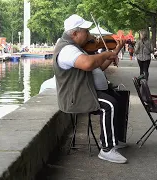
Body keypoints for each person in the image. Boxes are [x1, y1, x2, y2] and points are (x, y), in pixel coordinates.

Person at [53, 14, 127, 164]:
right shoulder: (67, 50)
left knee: (118, 99)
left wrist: (115, 51)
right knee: (109, 104)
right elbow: (88, 64)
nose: (89, 35)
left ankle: (113, 138)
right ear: (74, 33)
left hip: (85, 90)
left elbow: (98, 68)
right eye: (85, 31)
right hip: (76, 96)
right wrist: (106, 53)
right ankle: (107, 149)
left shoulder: (76, 48)